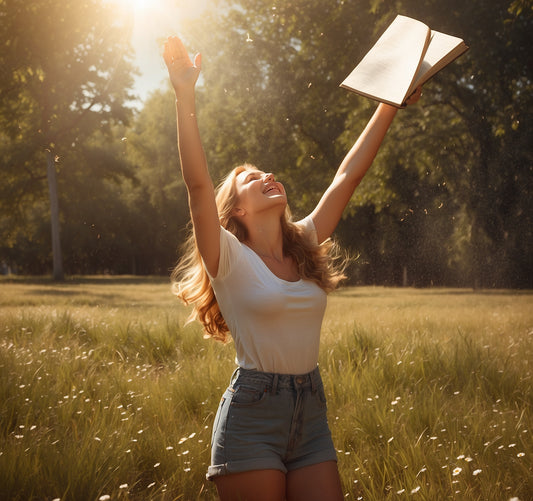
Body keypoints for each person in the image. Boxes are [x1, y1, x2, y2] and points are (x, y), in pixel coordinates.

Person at [163, 35, 421, 501]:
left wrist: (390, 103)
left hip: (311, 414)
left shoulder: (303, 241)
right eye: (251, 178)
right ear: (236, 210)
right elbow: (198, 185)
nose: (267, 176)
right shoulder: (227, 258)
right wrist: (185, 93)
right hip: (251, 420)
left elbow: (348, 176)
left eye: (268, 172)